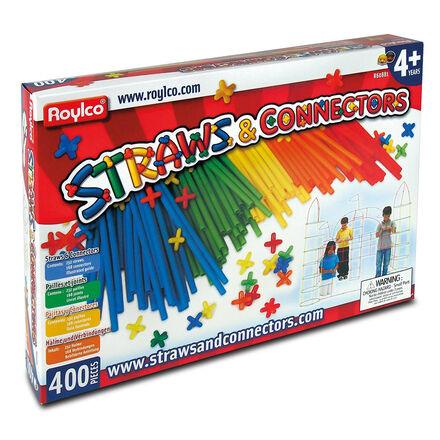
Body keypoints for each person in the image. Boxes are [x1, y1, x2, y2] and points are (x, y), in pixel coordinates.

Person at [375, 206, 396, 277]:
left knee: (386, 264)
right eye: (384, 216)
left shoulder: (392, 223)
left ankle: (384, 277)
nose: (386, 217)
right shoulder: (380, 224)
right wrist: (382, 230)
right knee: (378, 264)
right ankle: (377, 277)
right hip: (380, 247)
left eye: (387, 216)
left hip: (388, 247)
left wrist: (390, 228)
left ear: (389, 215)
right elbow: (377, 235)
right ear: (383, 215)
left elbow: (394, 231)